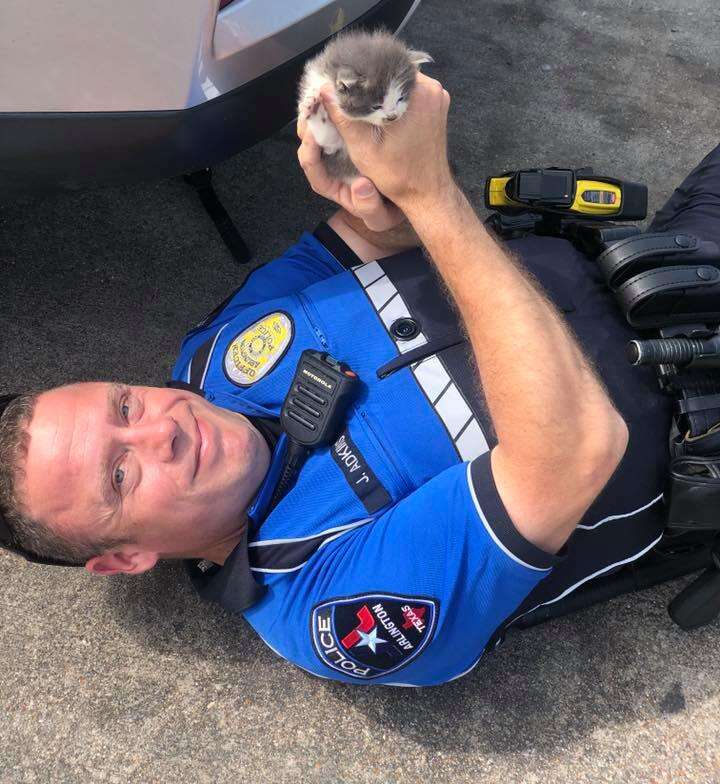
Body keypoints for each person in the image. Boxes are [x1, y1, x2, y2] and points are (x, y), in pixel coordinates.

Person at [0, 74, 707, 685]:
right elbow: (577, 448)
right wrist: (432, 196)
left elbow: (373, 236)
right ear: (126, 558)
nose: (164, 428)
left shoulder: (213, 355)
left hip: (671, 257)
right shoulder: (324, 601)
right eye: (120, 474)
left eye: (124, 404)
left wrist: (365, 173)